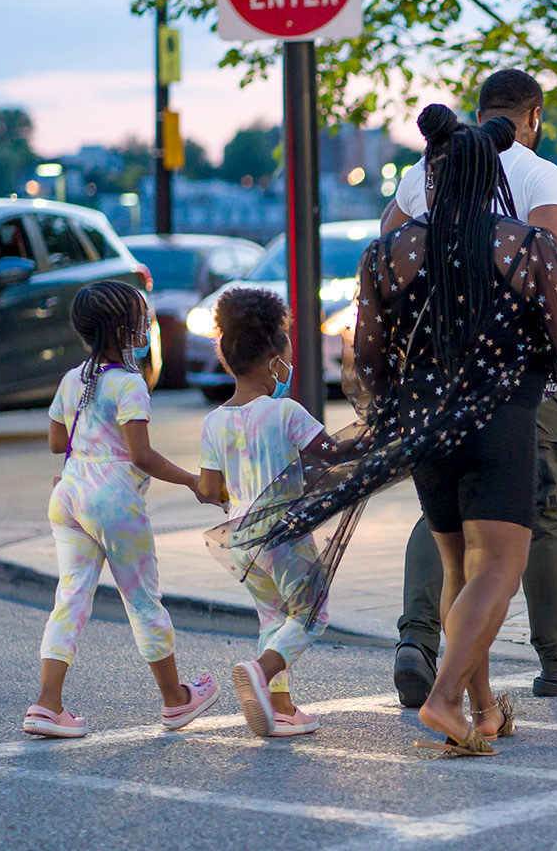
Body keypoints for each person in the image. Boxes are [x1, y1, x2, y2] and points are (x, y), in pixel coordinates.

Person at [381, 69, 557, 703]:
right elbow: (556, 261)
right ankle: (556, 662)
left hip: (435, 378)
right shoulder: (539, 173)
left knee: (443, 516)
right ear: (530, 118)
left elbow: (387, 241)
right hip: (519, 378)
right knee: (535, 516)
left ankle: (418, 644)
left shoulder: (426, 170)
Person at [24, 280, 220, 739]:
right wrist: (193, 481)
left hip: (69, 495)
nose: (146, 325)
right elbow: (141, 455)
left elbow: (58, 441)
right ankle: (175, 700)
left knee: (70, 600)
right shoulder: (129, 383)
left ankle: (46, 705)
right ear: (122, 328)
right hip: (112, 500)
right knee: (143, 601)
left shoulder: (73, 379)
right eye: (140, 319)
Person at [197, 287, 341, 738]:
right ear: (274, 357)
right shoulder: (285, 413)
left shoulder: (214, 422)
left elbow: (207, 489)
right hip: (284, 534)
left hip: (239, 538)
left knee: (274, 617)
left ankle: (279, 706)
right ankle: (261, 673)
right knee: (311, 613)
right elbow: (333, 454)